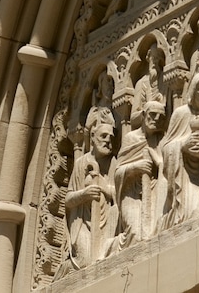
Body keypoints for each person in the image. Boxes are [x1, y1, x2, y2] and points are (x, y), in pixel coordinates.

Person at [160, 62, 199, 229]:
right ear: (193, 89)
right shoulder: (181, 114)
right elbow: (167, 147)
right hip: (186, 176)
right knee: (191, 211)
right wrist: (182, 145)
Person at [57, 109, 117, 276]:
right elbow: (68, 199)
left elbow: (119, 194)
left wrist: (104, 187)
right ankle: (62, 275)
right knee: (85, 262)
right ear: (92, 137)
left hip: (108, 221)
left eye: (111, 138)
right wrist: (85, 194)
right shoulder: (81, 163)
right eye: (103, 136)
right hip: (83, 223)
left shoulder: (113, 163)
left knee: (106, 259)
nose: (108, 141)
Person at [112, 100, 168, 249]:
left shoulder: (161, 139)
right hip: (131, 193)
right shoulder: (131, 138)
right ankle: (110, 246)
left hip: (154, 188)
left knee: (158, 228)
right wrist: (136, 167)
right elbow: (117, 173)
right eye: (152, 115)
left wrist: (160, 163)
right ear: (143, 115)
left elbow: (167, 167)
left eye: (161, 117)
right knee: (135, 234)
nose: (156, 119)